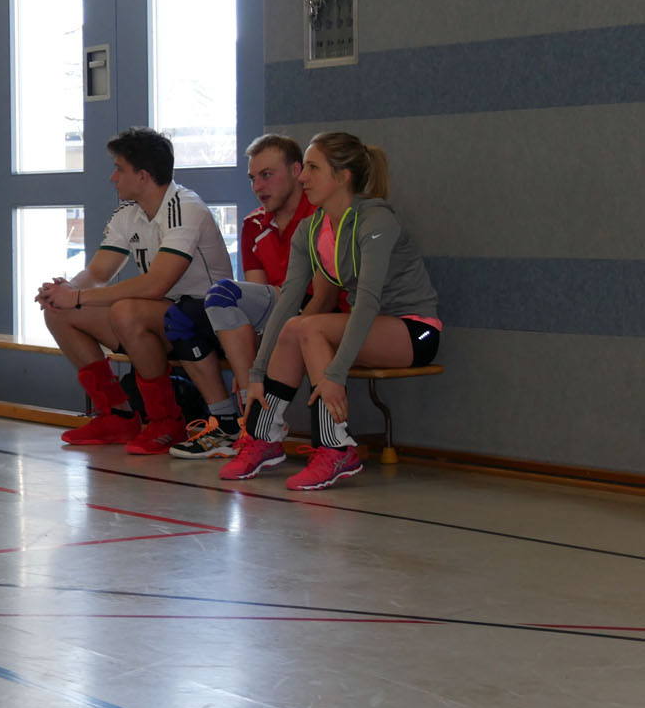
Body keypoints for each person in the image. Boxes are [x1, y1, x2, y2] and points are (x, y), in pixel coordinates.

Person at [221, 131, 441, 490]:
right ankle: (262, 437)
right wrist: (256, 372)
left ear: (342, 176)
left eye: (313, 168)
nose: (303, 177)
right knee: (295, 325)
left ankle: (335, 448)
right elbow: (288, 301)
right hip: (366, 327)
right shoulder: (310, 230)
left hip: (415, 330)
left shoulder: (376, 221)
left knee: (311, 328)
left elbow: (367, 300)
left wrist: (336, 374)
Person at [37, 127, 233, 455]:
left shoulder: (185, 208)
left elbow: (157, 284)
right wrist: (66, 291)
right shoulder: (128, 213)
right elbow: (98, 272)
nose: (112, 177)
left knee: (126, 310)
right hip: (160, 317)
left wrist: (78, 297)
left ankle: (166, 421)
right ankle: (118, 416)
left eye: (119, 169)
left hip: (209, 320)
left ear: (142, 176)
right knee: (58, 313)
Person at [168, 134, 338, 459]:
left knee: (222, 294)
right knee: (182, 317)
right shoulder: (253, 224)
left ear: (296, 171)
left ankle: (256, 420)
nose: (258, 186)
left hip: (313, 313)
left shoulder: (320, 218)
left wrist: (261, 357)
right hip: (276, 310)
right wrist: (254, 357)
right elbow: (257, 298)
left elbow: (322, 298)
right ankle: (232, 422)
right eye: (252, 178)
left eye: (267, 175)